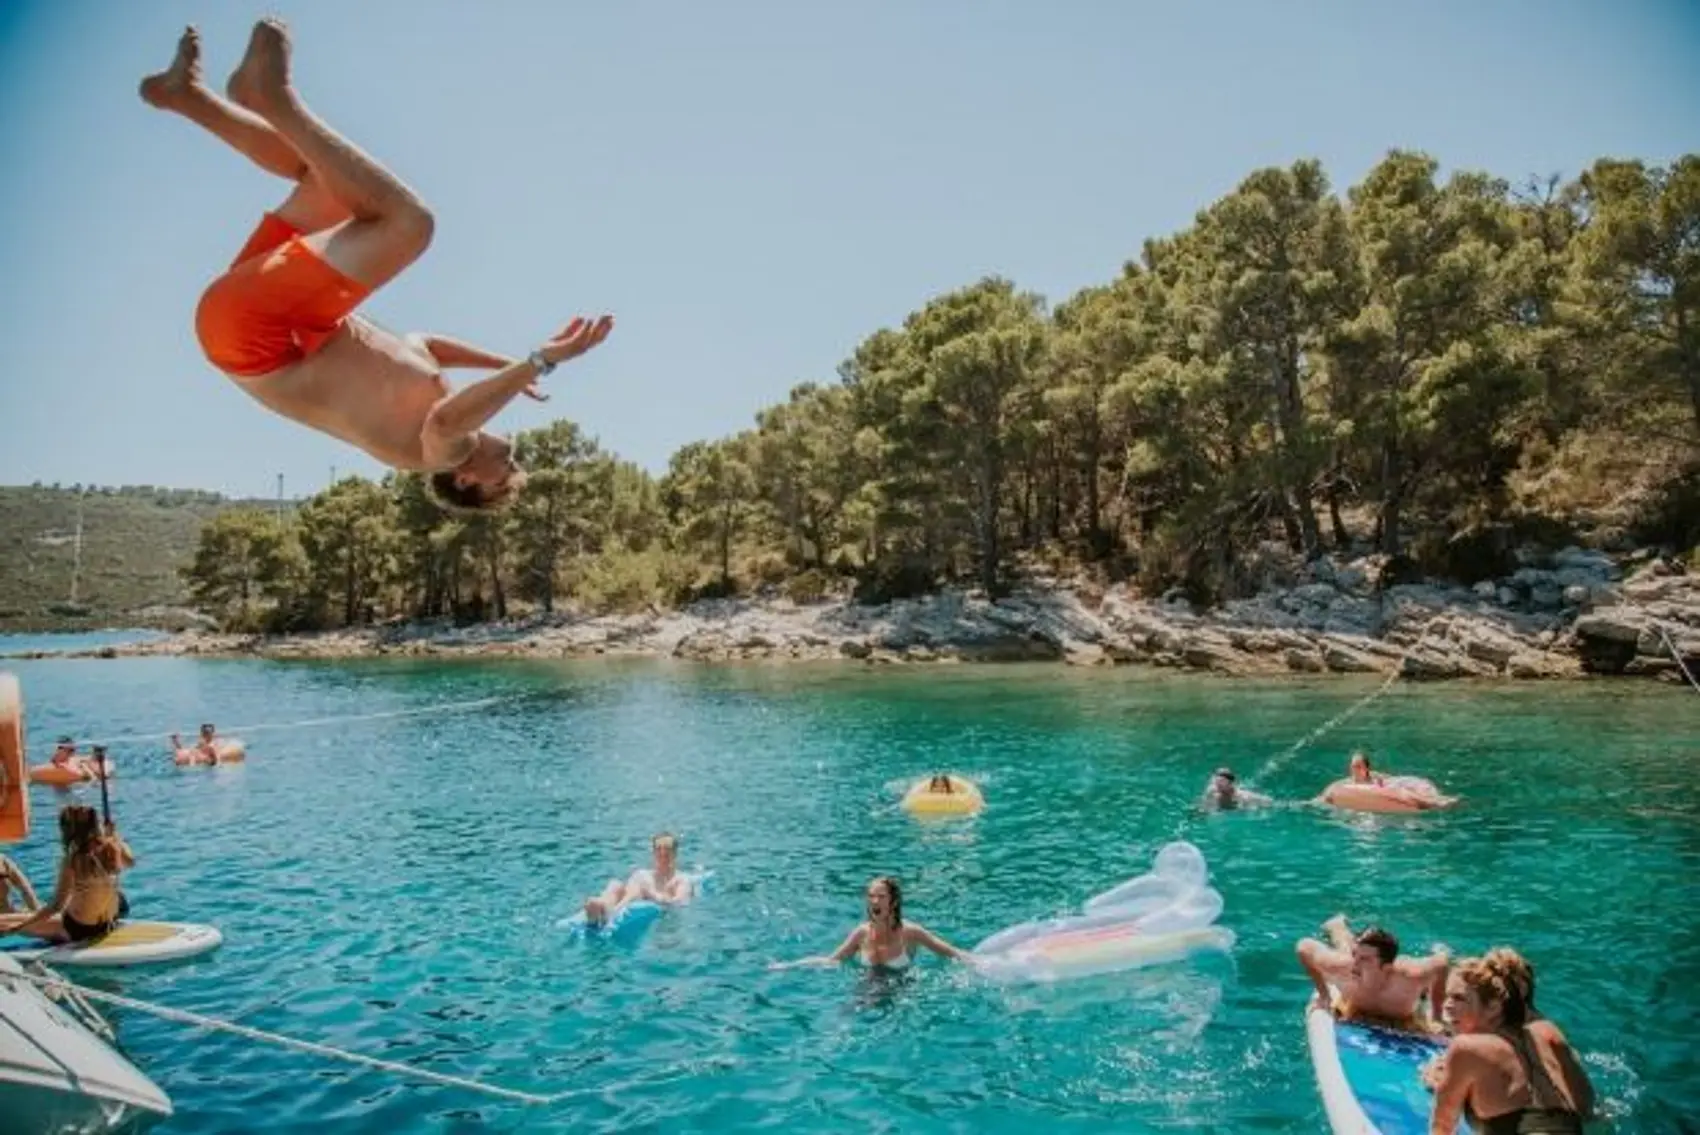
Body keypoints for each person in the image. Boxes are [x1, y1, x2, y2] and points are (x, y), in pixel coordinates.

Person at [140, 19, 614, 514]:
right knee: (329, 180)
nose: (516, 469)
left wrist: (541, 360)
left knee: (409, 225)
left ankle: (273, 98)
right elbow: (424, 344)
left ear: (468, 481)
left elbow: (450, 421)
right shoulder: (427, 391)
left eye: (505, 482)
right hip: (267, 317)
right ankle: (188, 97)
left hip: (257, 335)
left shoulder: (441, 452)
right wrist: (502, 363)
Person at [1427, 953, 1594, 1134]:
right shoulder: (1547, 1032)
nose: (1446, 1005)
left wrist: (1445, 1084)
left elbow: (1442, 1127)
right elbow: (1587, 1108)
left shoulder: (1465, 1047)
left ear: (1493, 1007)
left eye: (1459, 998)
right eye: (1447, 996)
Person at [770, 876, 971, 970]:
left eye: (881, 897)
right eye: (871, 896)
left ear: (893, 902)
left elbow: (953, 954)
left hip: (901, 994)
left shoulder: (911, 933)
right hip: (866, 990)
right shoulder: (861, 933)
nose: (874, 901)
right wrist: (789, 965)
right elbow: (832, 960)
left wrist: (987, 963)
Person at [0, 805, 135, 943]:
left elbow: (56, 906)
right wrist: (115, 837)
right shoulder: (114, 848)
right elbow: (131, 861)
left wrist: (18, 927)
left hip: (78, 929)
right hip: (106, 924)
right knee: (24, 916)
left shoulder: (72, 860)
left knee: (6, 921)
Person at [1296, 914, 1449, 1032]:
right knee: (1344, 950)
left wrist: (1436, 1015)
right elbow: (1303, 947)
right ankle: (1337, 925)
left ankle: (1438, 947)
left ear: (1387, 968)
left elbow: (1441, 963)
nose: (1355, 965)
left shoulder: (1409, 976)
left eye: (1365, 960)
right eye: (1356, 956)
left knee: (1349, 952)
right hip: (1350, 967)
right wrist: (1324, 995)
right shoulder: (1344, 967)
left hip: (1405, 1008)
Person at [582, 832, 695, 926]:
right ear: (653, 852)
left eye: (667, 850)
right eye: (659, 849)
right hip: (630, 899)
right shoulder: (643, 874)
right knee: (615, 884)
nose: (662, 853)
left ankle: (609, 913)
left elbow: (680, 903)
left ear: (675, 853)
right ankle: (602, 905)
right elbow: (628, 890)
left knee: (639, 888)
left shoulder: (681, 879)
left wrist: (652, 894)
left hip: (652, 903)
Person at [1201, 767, 1271, 810]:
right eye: (1217, 783)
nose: (1219, 786)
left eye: (1221, 782)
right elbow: (1203, 808)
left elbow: (1266, 802)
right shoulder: (1212, 793)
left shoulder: (1243, 797)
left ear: (1231, 784)